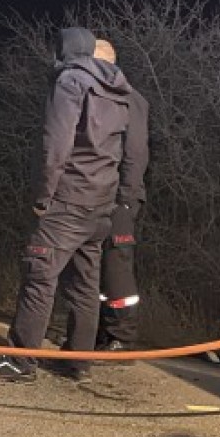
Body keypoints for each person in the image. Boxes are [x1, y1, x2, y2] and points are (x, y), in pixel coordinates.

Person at [0, 27, 134, 383]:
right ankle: (76, 361)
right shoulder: (120, 92)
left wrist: (43, 196)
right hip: (100, 203)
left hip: (67, 200)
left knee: (39, 275)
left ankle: (19, 360)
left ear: (67, 50)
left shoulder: (71, 81)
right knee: (84, 284)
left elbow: (55, 144)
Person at [92, 39, 150, 356]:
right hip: (101, 193)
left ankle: (122, 337)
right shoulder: (107, 96)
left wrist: (126, 196)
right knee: (100, 265)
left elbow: (135, 151)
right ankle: (105, 331)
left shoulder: (130, 99)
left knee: (117, 264)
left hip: (121, 197)